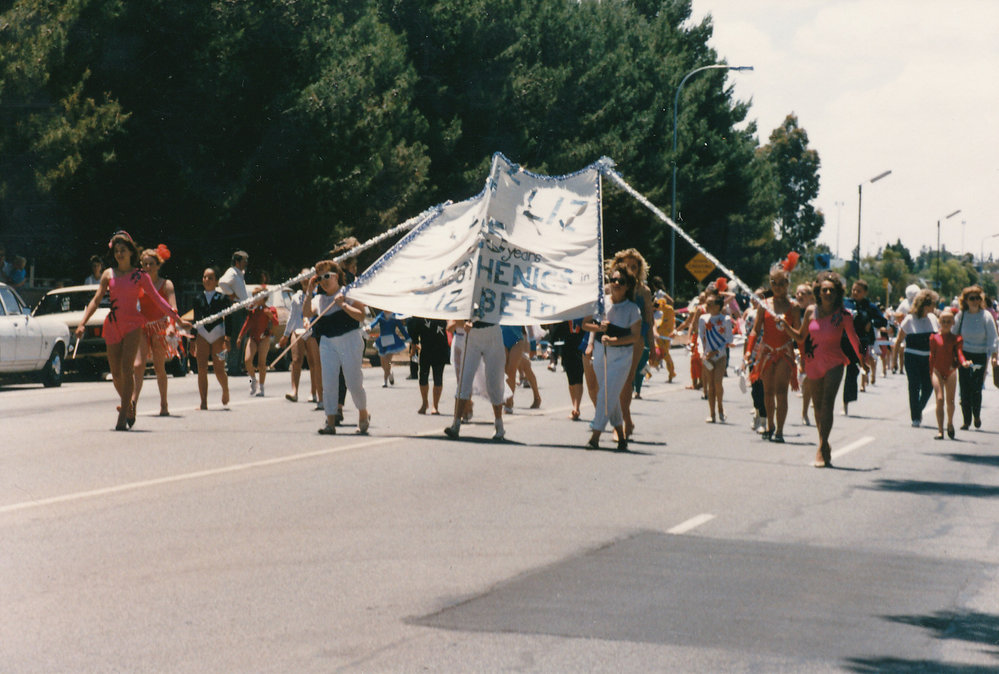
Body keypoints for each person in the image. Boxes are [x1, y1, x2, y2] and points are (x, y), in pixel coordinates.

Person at [75, 231, 189, 430]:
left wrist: (177, 319)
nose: (120, 254)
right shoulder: (108, 274)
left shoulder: (140, 275)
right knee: (116, 373)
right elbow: (96, 300)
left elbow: (157, 299)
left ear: (130, 252)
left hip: (133, 324)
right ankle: (128, 405)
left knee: (128, 369)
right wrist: (82, 323)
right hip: (113, 324)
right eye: (117, 250)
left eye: (123, 250)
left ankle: (122, 420)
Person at [781, 272, 865, 468]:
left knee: (827, 403)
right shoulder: (810, 311)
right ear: (818, 292)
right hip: (813, 362)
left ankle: (820, 448)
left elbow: (854, 340)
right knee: (818, 407)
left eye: (832, 290)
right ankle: (824, 442)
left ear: (837, 294)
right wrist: (785, 326)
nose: (827, 293)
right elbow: (800, 338)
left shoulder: (843, 315)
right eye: (824, 289)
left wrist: (863, 359)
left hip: (835, 362)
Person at [304, 260, 370, 435]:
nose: (324, 281)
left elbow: (361, 316)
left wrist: (343, 305)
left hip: (350, 340)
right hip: (328, 343)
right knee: (329, 382)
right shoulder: (319, 299)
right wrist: (309, 291)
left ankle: (363, 413)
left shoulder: (347, 293)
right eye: (320, 278)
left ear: (337, 276)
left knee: (353, 382)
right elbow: (306, 313)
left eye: (328, 276)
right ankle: (330, 421)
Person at [584, 265, 641, 451]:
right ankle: (621, 435)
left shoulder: (632, 309)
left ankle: (595, 435)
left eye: (621, 282)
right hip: (602, 352)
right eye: (613, 280)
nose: (616, 284)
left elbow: (634, 336)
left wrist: (614, 340)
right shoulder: (601, 303)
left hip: (622, 356)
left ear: (627, 287)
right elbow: (586, 325)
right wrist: (597, 333)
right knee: (610, 395)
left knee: (606, 393)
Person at [745, 265, 800, 441]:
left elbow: (799, 334)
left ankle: (780, 431)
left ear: (788, 284)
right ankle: (770, 425)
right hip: (766, 351)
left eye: (782, 283)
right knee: (767, 392)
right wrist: (748, 352)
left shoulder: (794, 307)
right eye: (774, 283)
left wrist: (787, 327)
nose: (778, 287)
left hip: (784, 352)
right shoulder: (764, 305)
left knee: (781, 391)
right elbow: (755, 330)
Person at [132, 244, 180, 417]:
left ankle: (164, 404)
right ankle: (133, 403)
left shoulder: (166, 285)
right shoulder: (138, 284)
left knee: (159, 368)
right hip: (143, 328)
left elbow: (173, 308)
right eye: (144, 264)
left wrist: (171, 326)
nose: (148, 267)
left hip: (160, 328)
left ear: (158, 265)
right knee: (138, 365)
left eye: (151, 264)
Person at [611, 249, 655, 431]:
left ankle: (623, 419)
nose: (630, 270)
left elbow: (649, 321)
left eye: (634, 267)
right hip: (614, 334)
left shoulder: (643, 291)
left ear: (639, 270)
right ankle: (624, 419)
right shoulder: (610, 287)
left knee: (627, 379)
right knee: (611, 380)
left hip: (636, 337)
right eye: (626, 266)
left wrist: (652, 347)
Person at [445, 318, 508, 442]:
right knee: (464, 378)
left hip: (492, 332)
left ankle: (499, 425)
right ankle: (456, 424)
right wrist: (464, 323)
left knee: (494, 380)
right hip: (472, 334)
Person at [892, 288, 940, 428]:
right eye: (932, 305)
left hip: (928, 359)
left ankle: (918, 408)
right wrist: (894, 360)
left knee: (928, 386)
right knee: (914, 386)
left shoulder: (933, 319)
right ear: (924, 305)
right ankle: (915, 417)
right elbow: (899, 340)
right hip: (912, 357)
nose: (934, 308)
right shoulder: (909, 319)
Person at [954, 285, 999, 430]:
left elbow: (993, 337)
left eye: (978, 298)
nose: (975, 301)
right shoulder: (961, 315)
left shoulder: (985, 316)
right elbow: (954, 334)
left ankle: (976, 415)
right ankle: (966, 420)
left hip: (980, 355)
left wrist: (994, 355)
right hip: (964, 354)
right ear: (965, 300)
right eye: (971, 298)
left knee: (976, 387)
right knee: (965, 387)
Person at [278, 270, 322, 405]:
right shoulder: (296, 296)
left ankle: (313, 392)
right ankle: (294, 391)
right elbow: (292, 317)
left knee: (313, 362)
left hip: (311, 331)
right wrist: (285, 335)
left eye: (308, 277)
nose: (305, 280)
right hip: (297, 330)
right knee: (296, 360)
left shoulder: (317, 295)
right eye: (303, 277)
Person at [842, 279, 884, 414]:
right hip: (843, 340)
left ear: (865, 293)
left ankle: (846, 403)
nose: (855, 293)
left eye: (859, 291)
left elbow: (881, 320)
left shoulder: (870, 307)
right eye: (853, 290)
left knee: (852, 371)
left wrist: (870, 322)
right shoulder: (845, 303)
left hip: (861, 342)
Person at [192, 267, 231, 410]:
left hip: (218, 334)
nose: (206, 280)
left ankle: (225, 389)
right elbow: (195, 319)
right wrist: (192, 339)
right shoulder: (198, 298)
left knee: (218, 369)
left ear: (216, 281)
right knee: (201, 368)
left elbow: (229, 318)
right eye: (204, 277)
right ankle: (203, 401)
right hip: (202, 333)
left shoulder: (222, 297)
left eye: (210, 278)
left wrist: (228, 338)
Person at [929, 309, 970, 439]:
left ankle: (950, 423)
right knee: (940, 399)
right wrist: (930, 372)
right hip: (937, 371)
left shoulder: (956, 338)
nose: (946, 324)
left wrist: (964, 363)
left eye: (948, 321)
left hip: (951, 371)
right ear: (939, 322)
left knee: (950, 401)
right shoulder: (934, 337)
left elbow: (960, 353)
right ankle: (940, 430)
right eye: (943, 321)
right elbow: (932, 356)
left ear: (953, 323)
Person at [699, 292, 734, 424]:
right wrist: (702, 352)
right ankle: (712, 413)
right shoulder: (703, 319)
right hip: (707, 356)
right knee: (710, 386)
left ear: (718, 306)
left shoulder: (725, 320)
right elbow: (700, 337)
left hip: (720, 356)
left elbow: (728, 339)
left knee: (718, 382)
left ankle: (720, 407)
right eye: (706, 303)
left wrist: (716, 351)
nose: (707, 306)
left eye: (710, 304)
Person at [238, 286, 278, 397]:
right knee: (247, 361)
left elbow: (276, 323)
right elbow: (247, 323)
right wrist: (240, 336)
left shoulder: (270, 309)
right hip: (253, 338)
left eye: (257, 296)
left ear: (263, 297)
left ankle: (261, 387)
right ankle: (253, 381)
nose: (255, 298)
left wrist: (270, 315)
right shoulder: (253, 310)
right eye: (254, 296)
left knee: (261, 364)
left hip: (264, 338)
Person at [218, 250, 250, 375]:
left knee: (241, 337)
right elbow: (222, 282)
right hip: (236, 308)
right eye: (244, 261)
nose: (246, 263)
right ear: (237, 261)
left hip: (242, 307)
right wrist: (231, 294)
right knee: (236, 337)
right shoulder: (231, 272)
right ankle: (233, 367)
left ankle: (237, 366)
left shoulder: (239, 273)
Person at [409, 317, 449, 415]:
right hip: (425, 348)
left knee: (438, 377)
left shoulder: (441, 312)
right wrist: (413, 348)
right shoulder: (421, 315)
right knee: (422, 377)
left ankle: (435, 406)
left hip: (440, 348)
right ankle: (424, 403)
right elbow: (415, 332)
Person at [368, 310, 410, 387]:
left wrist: (407, 337)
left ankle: (385, 381)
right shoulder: (381, 315)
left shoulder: (394, 316)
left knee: (388, 361)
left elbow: (401, 328)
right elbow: (374, 322)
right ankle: (390, 374)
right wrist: (369, 327)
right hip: (382, 340)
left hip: (392, 341)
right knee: (383, 364)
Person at [793, 283, 816, 426]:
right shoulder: (791, 309)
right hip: (790, 348)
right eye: (797, 293)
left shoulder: (814, 312)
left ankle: (805, 412)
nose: (800, 296)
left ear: (811, 297)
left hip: (808, 349)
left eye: (803, 293)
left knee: (807, 382)